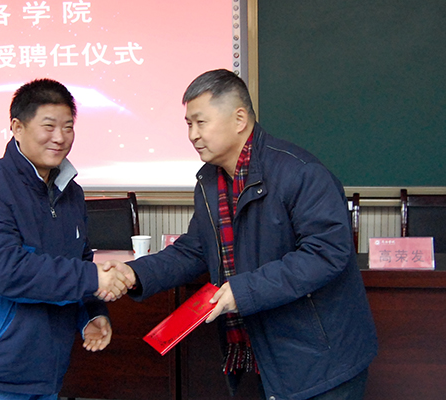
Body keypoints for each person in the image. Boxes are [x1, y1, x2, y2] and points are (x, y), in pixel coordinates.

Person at [104, 69, 378, 400]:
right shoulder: (210, 181)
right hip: (260, 356)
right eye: (188, 124)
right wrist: (135, 273)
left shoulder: (300, 173)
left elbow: (326, 254)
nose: (192, 135)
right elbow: (195, 250)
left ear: (239, 119)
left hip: (321, 360)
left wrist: (244, 290)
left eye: (200, 122)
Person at [0, 78, 133, 400]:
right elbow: (7, 271)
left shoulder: (71, 193)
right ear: (17, 128)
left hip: (47, 371)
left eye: (68, 127)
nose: (60, 137)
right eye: (49, 126)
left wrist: (91, 314)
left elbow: (78, 262)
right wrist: (92, 278)